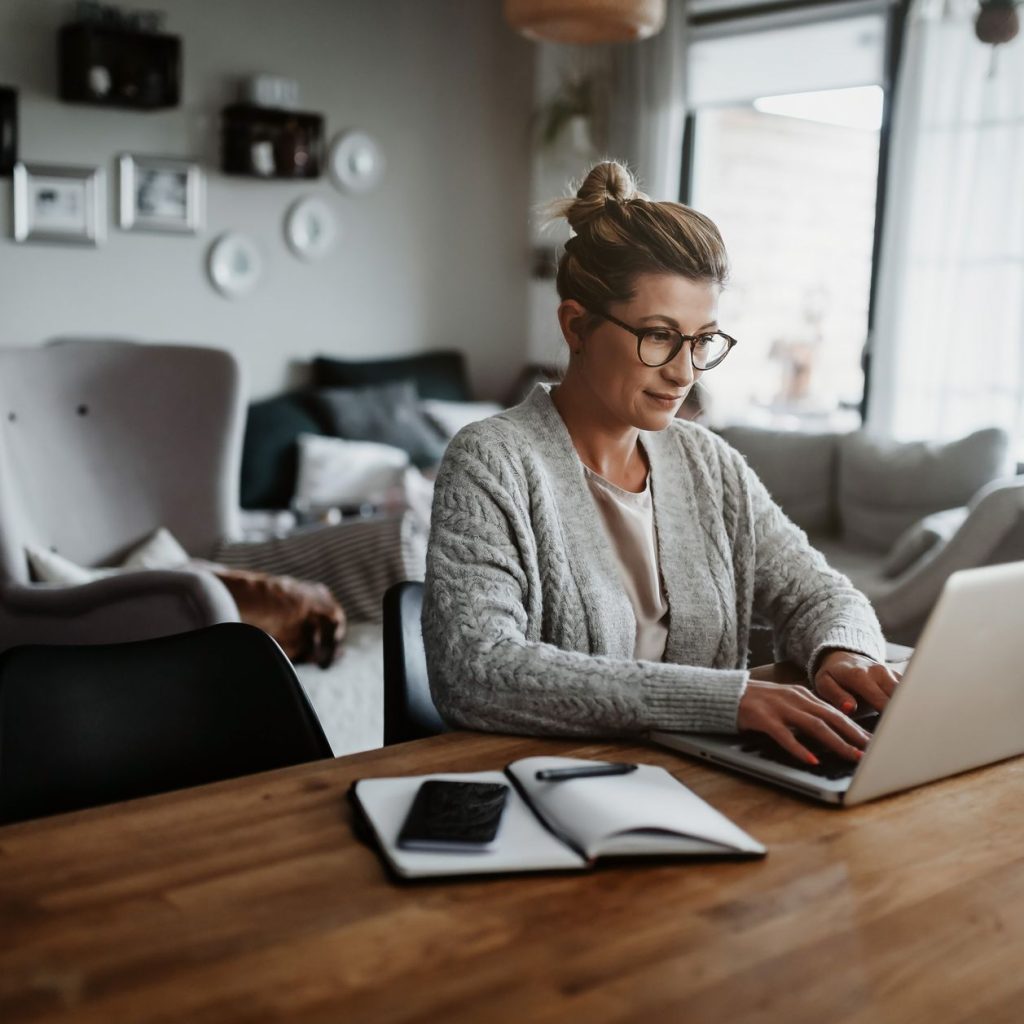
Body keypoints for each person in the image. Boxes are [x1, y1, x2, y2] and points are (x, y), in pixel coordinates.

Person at [421, 161, 899, 767]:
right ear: (576, 326)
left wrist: (844, 652)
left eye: (702, 341)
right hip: (556, 790)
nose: (684, 371)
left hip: (708, 780)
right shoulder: (492, 462)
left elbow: (820, 594)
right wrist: (728, 700)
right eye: (659, 336)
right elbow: (476, 669)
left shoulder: (708, 463)